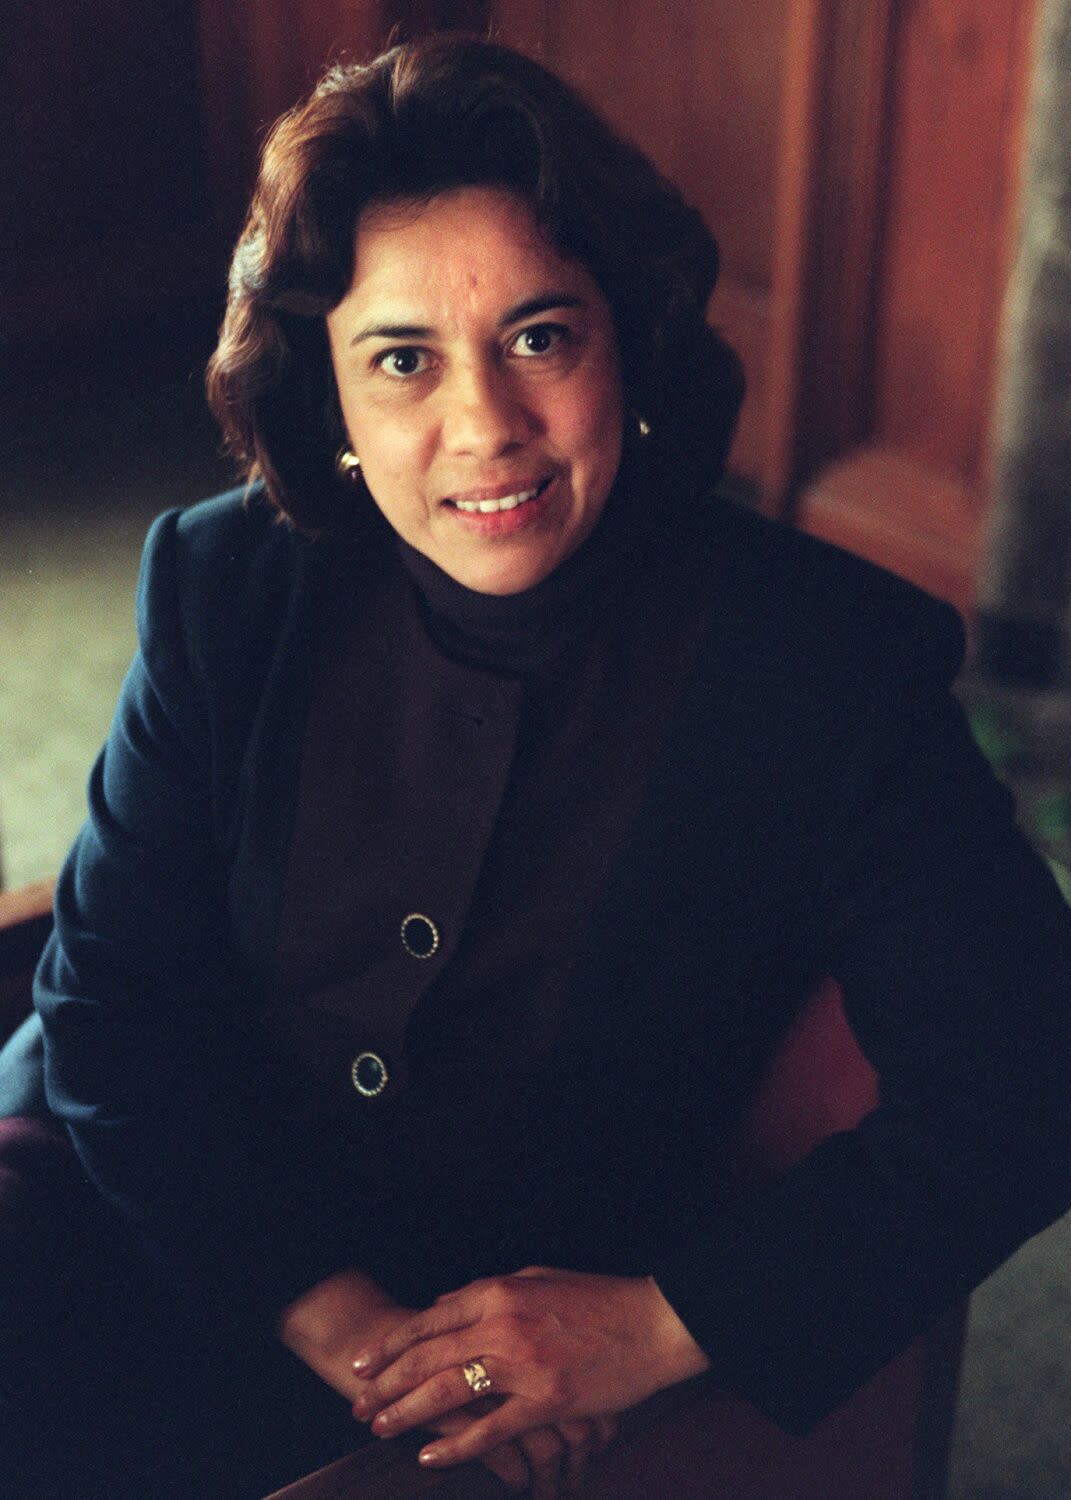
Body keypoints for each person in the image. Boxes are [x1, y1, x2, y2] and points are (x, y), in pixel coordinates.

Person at [2, 32, 1071, 1500]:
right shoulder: (225, 580)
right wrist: (334, 1317)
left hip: (518, 1343)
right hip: (169, 1210)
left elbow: (1031, 1074)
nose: (484, 427)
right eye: (402, 361)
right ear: (333, 408)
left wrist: (659, 1323)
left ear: (624, 340)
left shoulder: (827, 668)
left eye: (539, 336)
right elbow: (109, 1003)